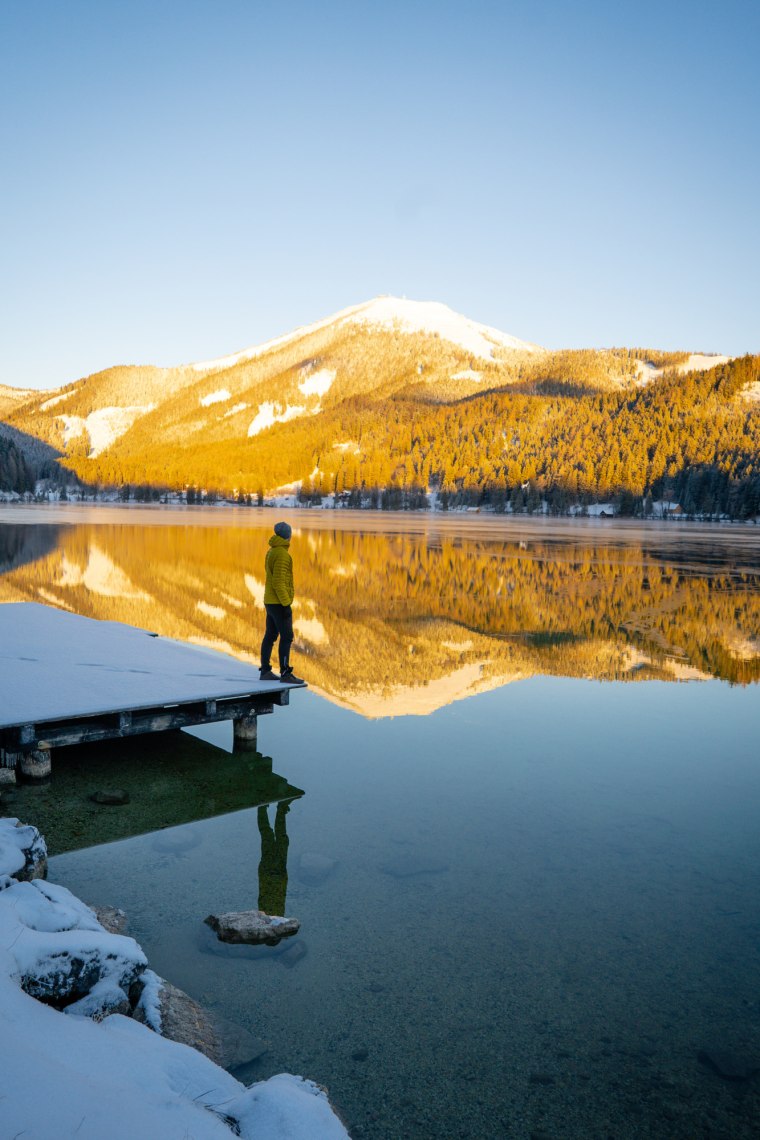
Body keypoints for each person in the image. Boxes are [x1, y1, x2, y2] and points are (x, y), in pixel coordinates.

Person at [260, 521, 305, 684]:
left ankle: (265, 670)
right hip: (279, 603)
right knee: (286, 636)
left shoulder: (271, 551)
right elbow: (279, 582)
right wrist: (286, 605)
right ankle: (285, 673)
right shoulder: (282, 554)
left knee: (270, 635)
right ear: (287, 535)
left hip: (270, 601)